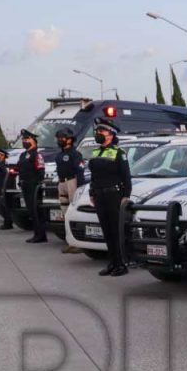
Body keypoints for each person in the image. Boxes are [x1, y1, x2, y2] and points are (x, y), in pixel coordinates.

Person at [87, 117, 131, 276]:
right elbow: (93, 176)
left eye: (102, 131)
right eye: (98, 130)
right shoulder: (95, 152)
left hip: (115, 195)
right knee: (106, 230)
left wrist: (126, 196)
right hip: (100, 196)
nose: (98, 133)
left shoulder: (119, 153)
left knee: (116, 231)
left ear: (111, 134)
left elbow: (126, 176)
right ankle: (112, 262)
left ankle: (121, 264)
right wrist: (92, 192)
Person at [54, 127, 86, 253]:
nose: (60, 140)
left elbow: (80, 171)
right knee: (65, 213)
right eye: (59, 138)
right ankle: (70, 241)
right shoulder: (59, 154)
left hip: (72, 182)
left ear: (70, 139)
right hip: (62, 182)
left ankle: (79, 243)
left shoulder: (75, 154)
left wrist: (80, 188)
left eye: (62, 138)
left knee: (74, 212)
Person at [17, 129, 47, 243]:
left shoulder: (37, 155)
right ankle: (36, 233)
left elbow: (40, 170)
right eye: (23, 139)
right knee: (31, 210)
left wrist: (38, 184)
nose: (25, 141)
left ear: (34, 141)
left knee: (36, 210)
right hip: (25, 185)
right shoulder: (23, 155)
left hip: (34, 185)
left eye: (27, 139)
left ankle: (41, 235)